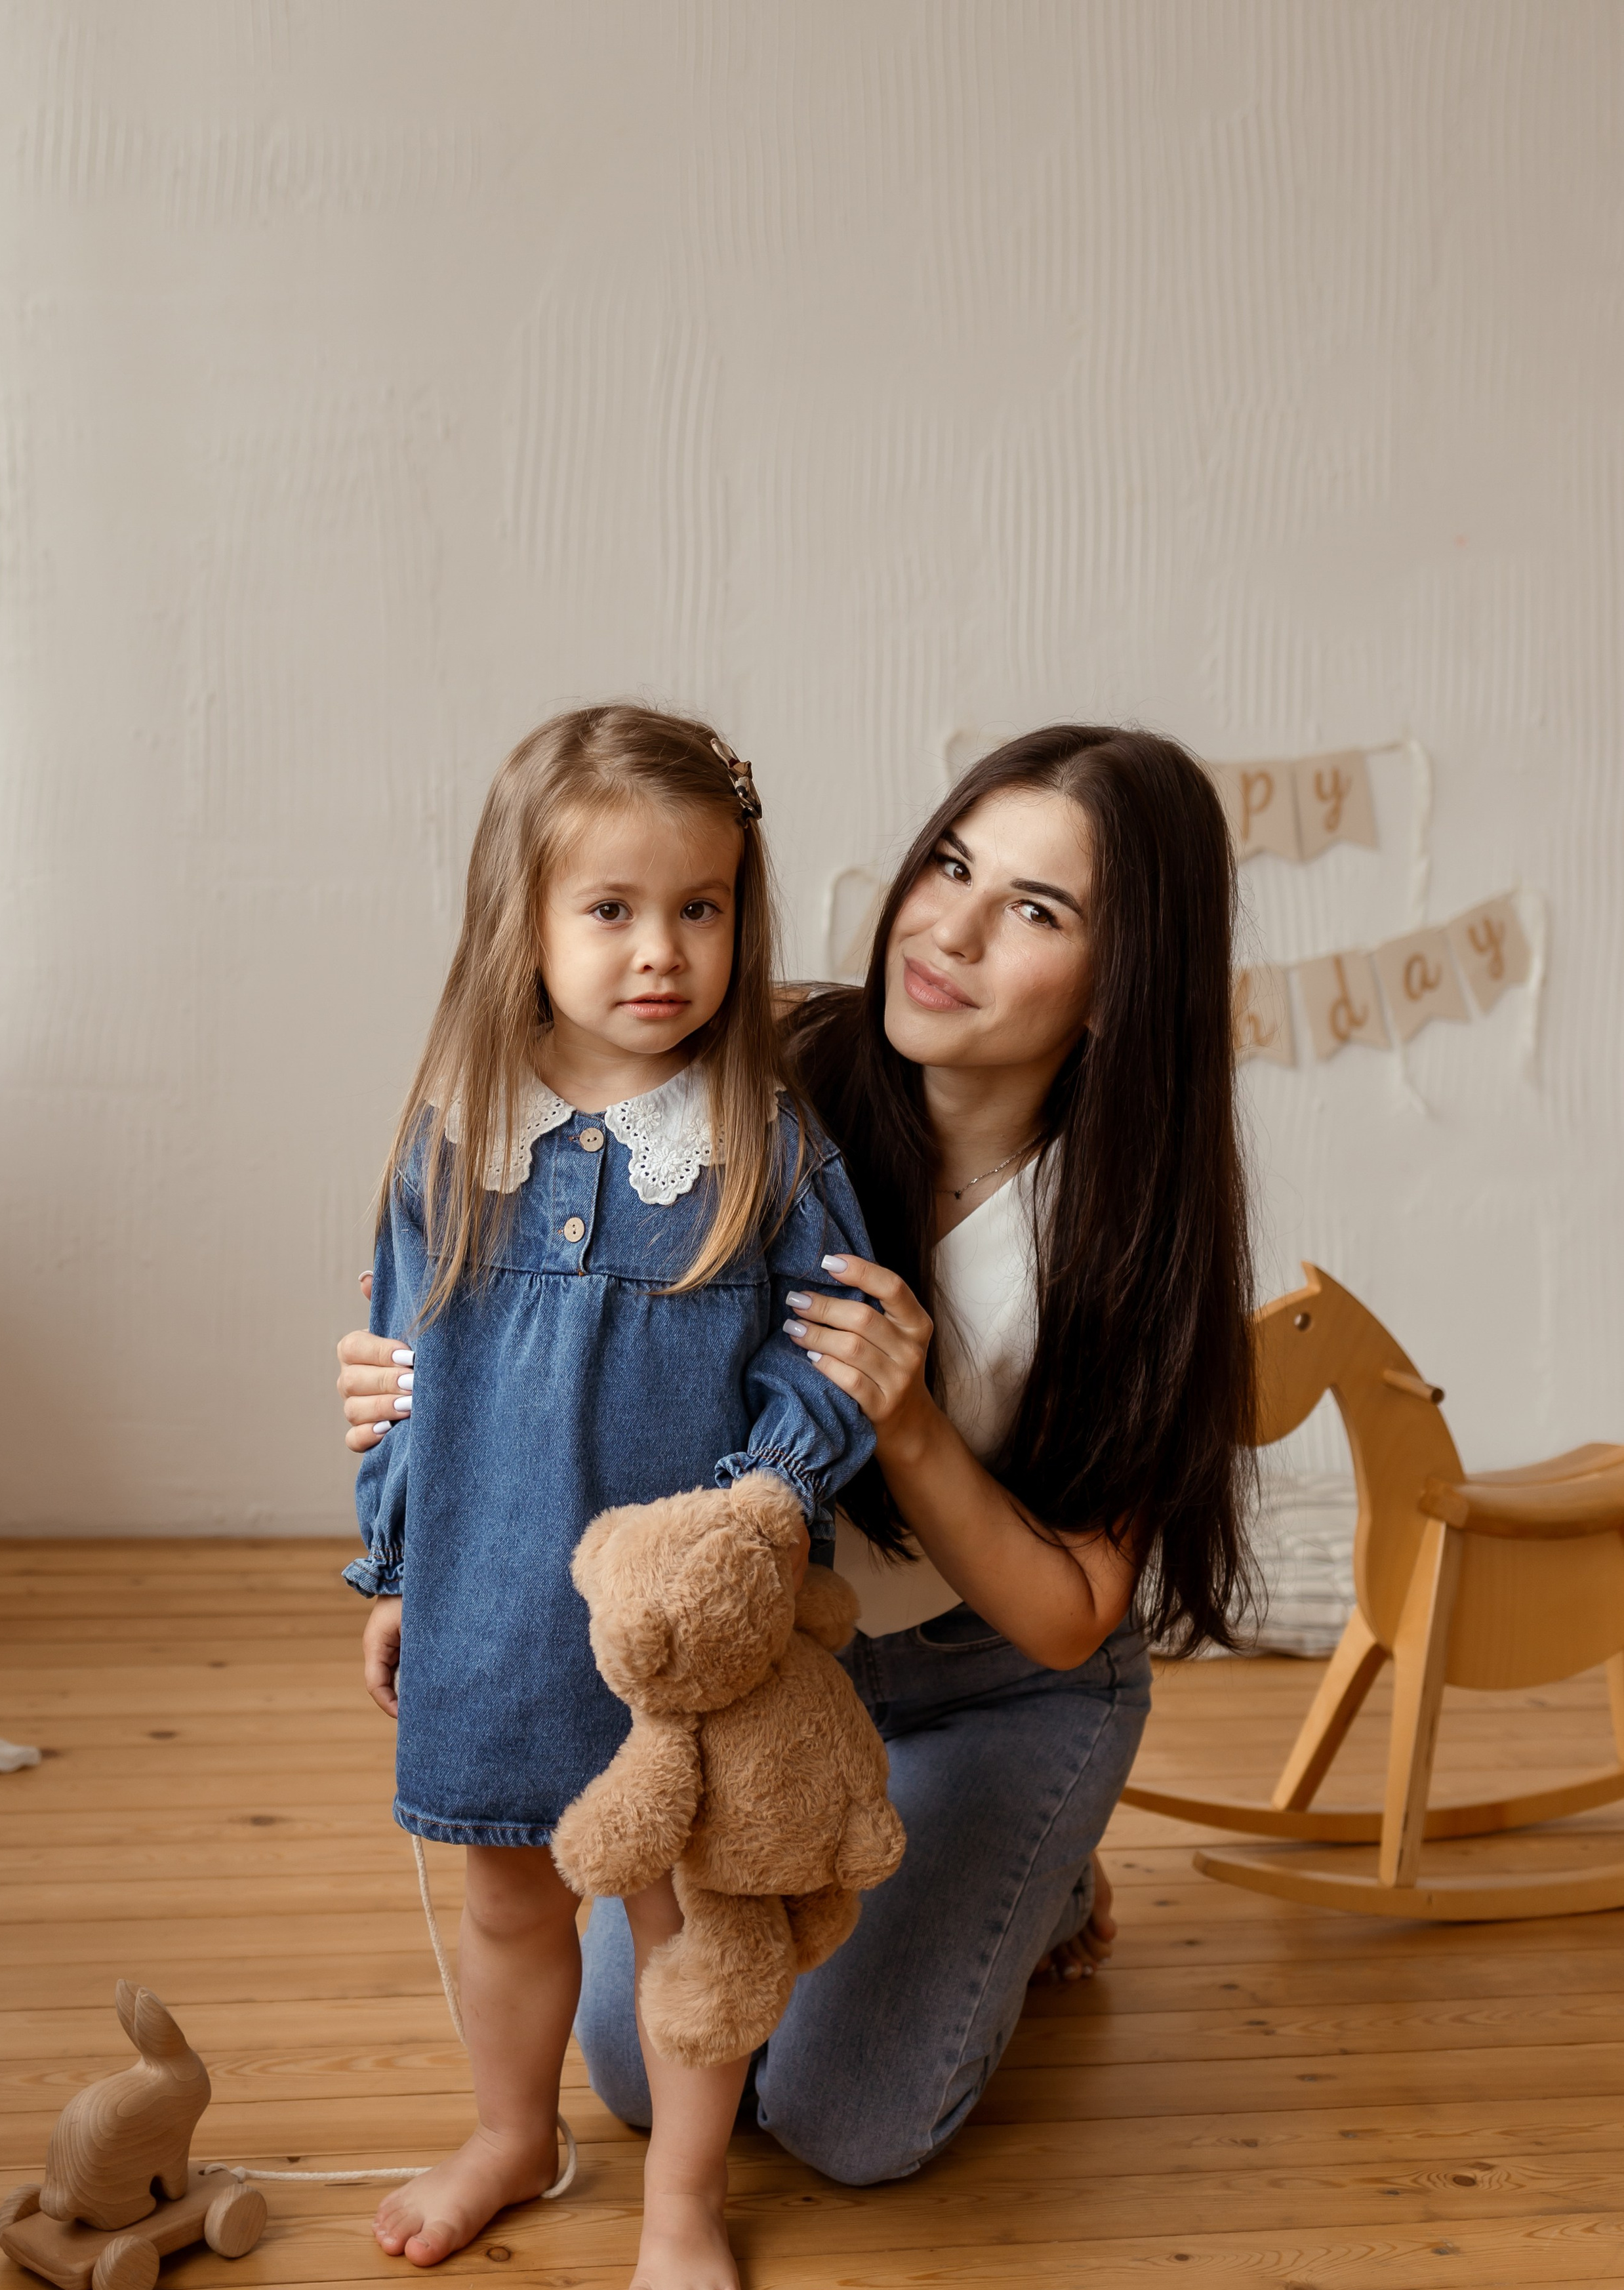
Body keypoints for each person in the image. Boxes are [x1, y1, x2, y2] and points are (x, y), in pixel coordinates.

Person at [340, 724, 1253, 2202]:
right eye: (949, 866)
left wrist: (907, 1421)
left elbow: (1072, 1612)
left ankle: (1034, 1871)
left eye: (1034, 909)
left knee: (847, 2122)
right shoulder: (752, 1062)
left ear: (1122, 984)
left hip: (995, 1677)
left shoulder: (1126, 1238)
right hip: (762, 1659)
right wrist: (417, 1422)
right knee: (632, 2073)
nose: (949, 930)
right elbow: (488, 1264)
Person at [346, 703, 876, 2290]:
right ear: (522, 920)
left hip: (681, 1638)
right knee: (508, 1898)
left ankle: (682, 2200)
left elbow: (831, 1354)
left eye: (698, 908)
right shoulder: (455, 1135)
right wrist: (397, 1570)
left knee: (686, 1918)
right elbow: (402, 1377)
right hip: (495, 1605)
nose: (660, 950)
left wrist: (763, 1507)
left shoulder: (762, 1142)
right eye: (611, 908)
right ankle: (512, 2136)